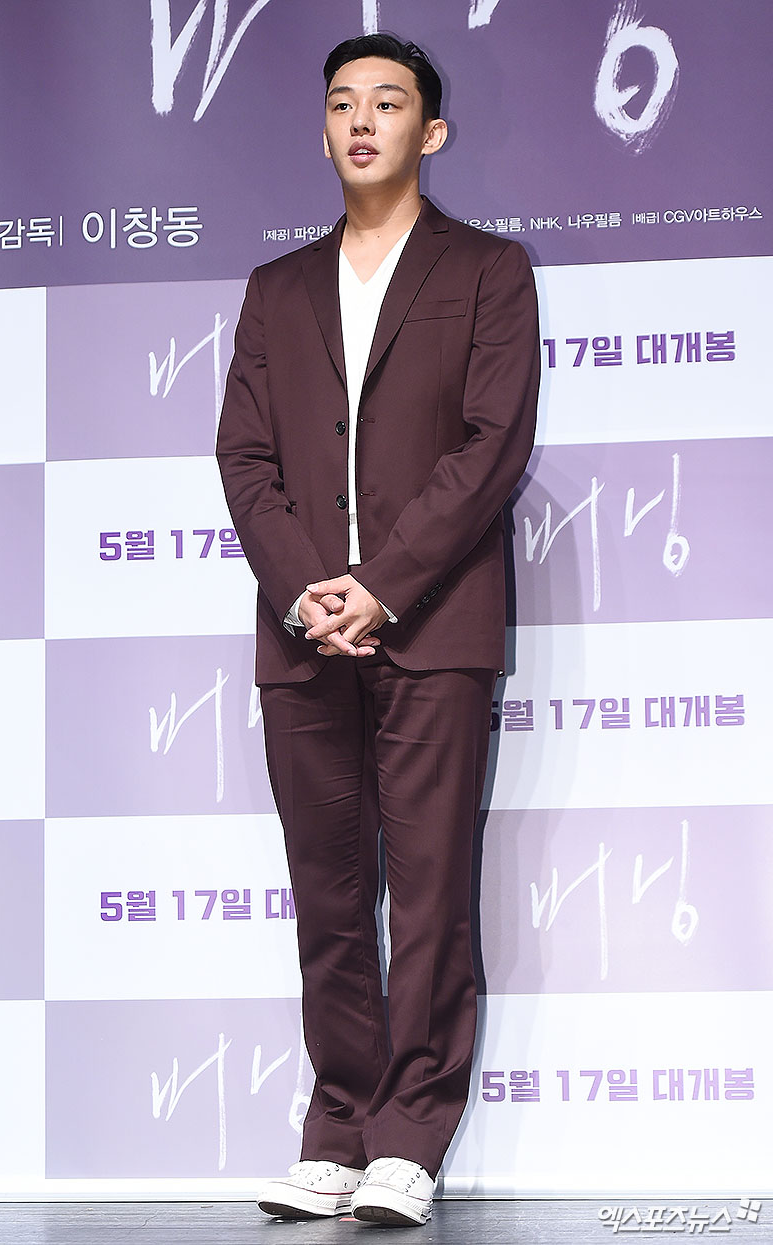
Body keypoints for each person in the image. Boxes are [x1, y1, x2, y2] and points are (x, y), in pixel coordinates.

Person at [217, 32, 540, 1227]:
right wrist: (307, 589)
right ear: (322, 131)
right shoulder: (275, 288)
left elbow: (490, 446)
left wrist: (383, 584)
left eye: (388, 103)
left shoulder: (487, 271)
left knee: (431, 892)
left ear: (429, 131)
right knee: (328, 892)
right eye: (343, 103)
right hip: (302, 635)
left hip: (433, 626)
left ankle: (409, 1137)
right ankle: (338, 1126)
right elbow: (243, 457)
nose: (362, 121)